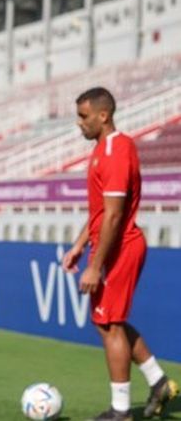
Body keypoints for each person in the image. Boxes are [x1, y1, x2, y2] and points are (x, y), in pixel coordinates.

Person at [63, 87, 178, 421]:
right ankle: (158, 382)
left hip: (121, 247)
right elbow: (101, 212)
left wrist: (96, 266)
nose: (79, 123)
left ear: (103, 115)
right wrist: (80, 245)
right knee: (107, 321)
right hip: (110, 247)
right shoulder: (102, 149)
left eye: (83, 116)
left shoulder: (116, 151)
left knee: (109, 323)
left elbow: (114, 216)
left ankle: (121, 411)